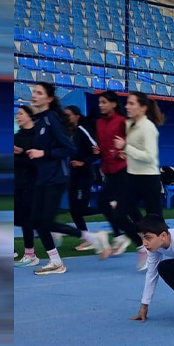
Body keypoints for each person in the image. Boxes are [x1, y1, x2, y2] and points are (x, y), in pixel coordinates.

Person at [23, 82, 110, 275]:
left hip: (56, 177)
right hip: (42, 178)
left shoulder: (52, 119)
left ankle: (76, 249)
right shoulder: (39, 119)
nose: (34, 95)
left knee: (43, 221)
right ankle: (69, 253)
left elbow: (68, 149)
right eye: (34, 92)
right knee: (36, 221)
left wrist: (42, 153)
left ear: (49, 98)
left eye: (39, 93)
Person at [112, 92, 165, 272]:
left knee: (157, 222)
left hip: (149, 178)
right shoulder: (129, 125)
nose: (127, 106)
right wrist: (124, 153)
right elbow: (134, 150)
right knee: (119, 215)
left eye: (132, 103)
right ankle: (142, 246)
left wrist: (126, 148)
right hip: (132, 177)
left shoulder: (148, 127)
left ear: (142, 108)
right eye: (127, 103)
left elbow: (150, 157)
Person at [94, 91, 141, 255]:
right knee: (130, 209)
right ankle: (145, 235)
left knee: (111, 204)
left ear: (113, 104)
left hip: (124, 169)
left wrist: (126, 150)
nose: (100, 105)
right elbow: (104, 144)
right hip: (108, 169)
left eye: (104, 102)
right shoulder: (99, 123)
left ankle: (140, 242)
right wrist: (99, 151)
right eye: (99, 102)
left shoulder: (122, 121)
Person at [62, 105, 99, 249]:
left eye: (68, 115)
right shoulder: (69, 132)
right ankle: (86, 237)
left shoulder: (83, 130)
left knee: (81, 209)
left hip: (84, 175)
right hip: (73, 175)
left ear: (77, 115)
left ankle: (110, 207)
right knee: (73, 209)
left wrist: (83, 162)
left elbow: (97, 151)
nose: (66, 118)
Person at [13, 106, 39, 267]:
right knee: (16, 217)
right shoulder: (16, 136)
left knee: (26, 219)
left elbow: (37, 163)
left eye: (21, 114)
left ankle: (30, 254)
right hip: (17, 181)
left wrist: (22, 153)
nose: (18, 117)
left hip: (32, 182)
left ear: (30, 116)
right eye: (17, 114)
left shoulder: (37, 137)